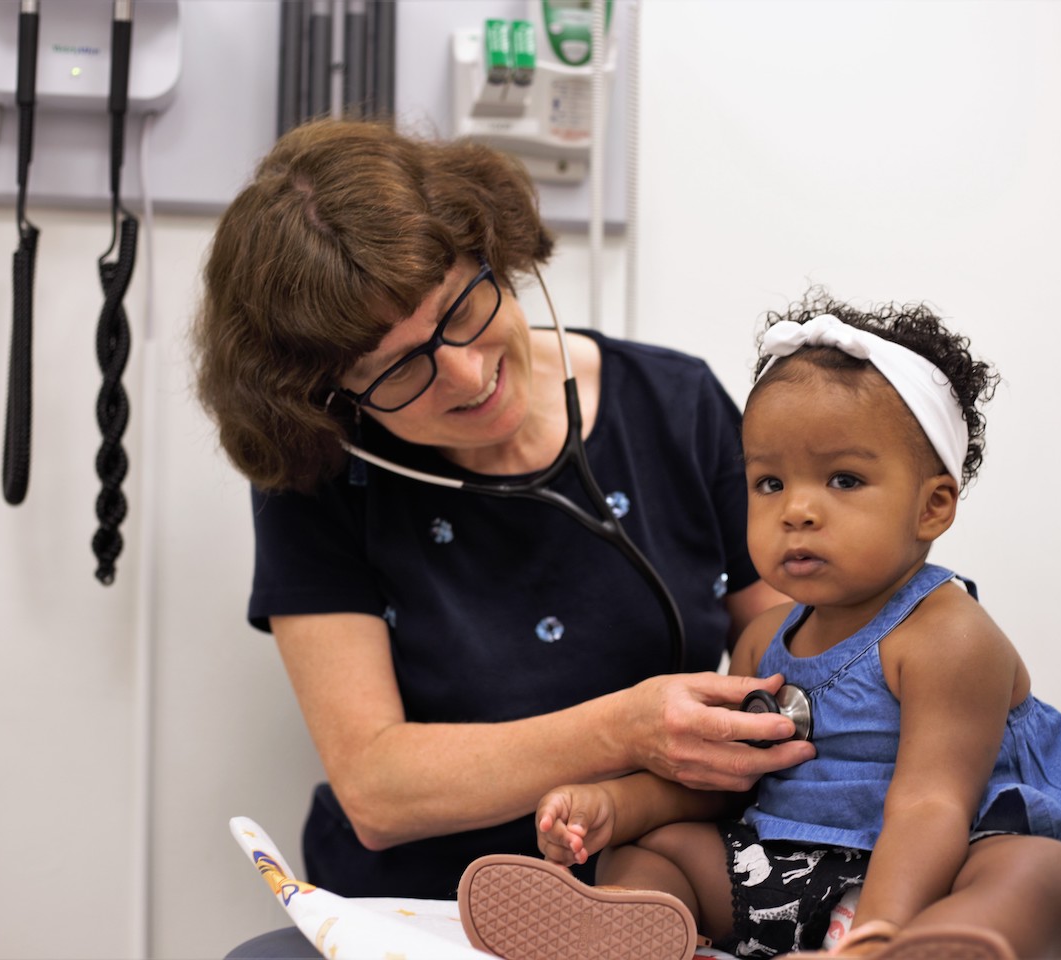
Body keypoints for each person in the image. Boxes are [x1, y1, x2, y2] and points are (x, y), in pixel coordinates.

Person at [192, 118, 816, 920]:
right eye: (394, 370)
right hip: (424, 910)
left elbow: (798, 651)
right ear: (330, 401)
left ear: (497, 252)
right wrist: (627, 728)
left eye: (459, 308)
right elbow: (376, 789)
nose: (464, 372)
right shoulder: (318, 476)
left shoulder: (675, 406)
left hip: (665, 884)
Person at [457, 294, 1061, 960]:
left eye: (844, 479)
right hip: (781, 881)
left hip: (930, 877)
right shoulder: (760, 639)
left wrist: (875, 930)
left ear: (932, 507)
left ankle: (925, 950)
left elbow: (931, 807)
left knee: (1047, 874)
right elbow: (714, 785)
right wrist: (610, 805)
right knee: (654, 848)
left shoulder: (948, 634)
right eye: (770, 483)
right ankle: (622, 928)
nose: (797, 509)